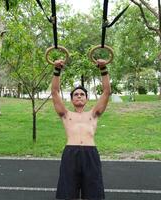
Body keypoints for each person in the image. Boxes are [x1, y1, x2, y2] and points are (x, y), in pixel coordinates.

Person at [51, 59, 111, 200]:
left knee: (93, 193)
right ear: (71, 100)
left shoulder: (93, 114)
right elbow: (54, 91)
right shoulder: (66, 114)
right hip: (71, 154)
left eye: (82, 94)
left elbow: (107, 91)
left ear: (86, 99)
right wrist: (56, 70)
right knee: (67, 193)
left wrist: (103, 68)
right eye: (76, 95)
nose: (79, 96)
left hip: (90, 155)